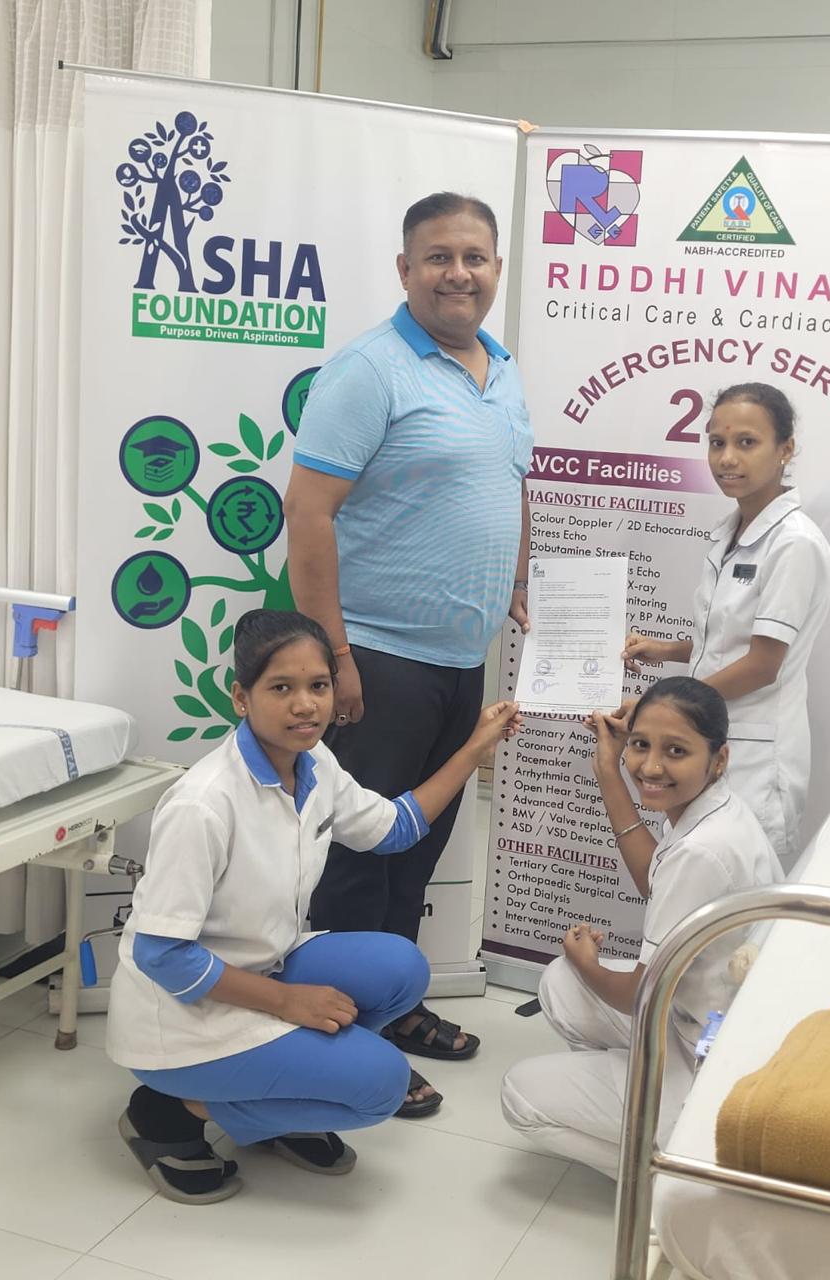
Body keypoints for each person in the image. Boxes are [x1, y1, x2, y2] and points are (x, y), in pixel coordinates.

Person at [106, 610, 521, 1204]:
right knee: (382, 1084)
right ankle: (168, 1111)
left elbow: (394, 829)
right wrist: (288, 1002)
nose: (305, 705)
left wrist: (476, 745)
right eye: (282, 688)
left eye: (318, 686)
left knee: (401, 967)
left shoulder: (315, 763)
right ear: (241, 698)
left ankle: (276, 1103)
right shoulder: (203, 804)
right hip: (181, 1016)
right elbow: (163, 956)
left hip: (263, 967)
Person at [283, 191, 533, 1115]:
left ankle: (395, 1005)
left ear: (496, 269)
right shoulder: (369, 370)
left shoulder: (500, 370)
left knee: (415, 849)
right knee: (360, 856)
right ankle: (346, 1037)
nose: (457, 273)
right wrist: (335, 658)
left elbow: (507, 486)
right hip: (379, 658)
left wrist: (514, 579)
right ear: (404, 270)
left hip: (462, 659)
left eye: (473, 257)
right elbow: (307, 518)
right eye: (437, 257)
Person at [501, 677, 782, 1178]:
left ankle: (675, 1172)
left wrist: (588, 963)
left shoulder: (701, 851)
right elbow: (653, 877)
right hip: (704, 1018)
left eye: (676, 750)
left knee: (521, 1096)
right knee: (558, 983)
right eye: (640, 745)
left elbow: (641, 997)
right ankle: (636, 1103)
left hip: (711, 1054)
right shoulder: (718, 809)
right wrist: (609, 768)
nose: (650, 767)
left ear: (719, 759)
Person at [623, 383, 830, 866]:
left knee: (743, 896)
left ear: (786, 449)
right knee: (696, 873)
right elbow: (726, 637)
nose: (727, 458)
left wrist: (663, 710)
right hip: (711, 740)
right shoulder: (732, 531)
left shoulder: (793, 543)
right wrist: (665, 649)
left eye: (746, 442)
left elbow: (762, 663)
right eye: (717, 443)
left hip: (755, 757)